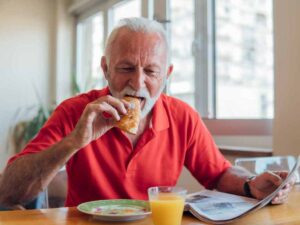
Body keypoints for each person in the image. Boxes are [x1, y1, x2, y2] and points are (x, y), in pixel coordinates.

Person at [0, 17, 295, 208]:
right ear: (105, 69)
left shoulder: (182, 116)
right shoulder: (76, 111)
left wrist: (249, 184)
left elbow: (218, 173)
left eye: (151, 71)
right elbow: (8, 193)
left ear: (166, 74)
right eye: (126, 68)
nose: (137, 83)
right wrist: (73, 142)